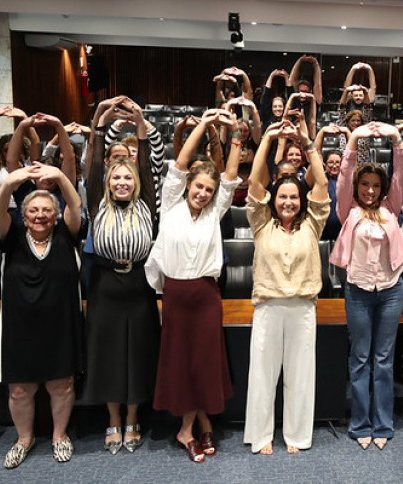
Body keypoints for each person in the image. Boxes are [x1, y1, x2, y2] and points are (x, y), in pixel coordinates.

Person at [144, 109, 241, 464]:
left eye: (208, 190)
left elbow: (230, 177)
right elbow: (180, 163)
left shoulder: (215, 211)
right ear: (188, 186)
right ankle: (194, 425)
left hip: (206, 297)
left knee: (203, 363)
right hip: (175, 296)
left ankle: (191, 425)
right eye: (199, 186)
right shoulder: (170, 203)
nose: (203, 193)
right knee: (181, 363)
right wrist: (203, 124)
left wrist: (236, 136)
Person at [243, 121, 330, 455]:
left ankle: (296, 435)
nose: (289, 202)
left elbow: (321, 182)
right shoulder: (261, 223)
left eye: (294, 197)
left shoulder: (313, 225)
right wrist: (267, 138)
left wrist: (309, 143)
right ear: (274, 198)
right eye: (283, 196)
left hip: (303, 308)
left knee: (300, 376)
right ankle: (261, 435)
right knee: (263, 376)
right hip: (268, 307)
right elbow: (253, 182)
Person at [0, 158, 83, 468]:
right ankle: (24, 439)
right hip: (19, 326)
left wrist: (58, 174)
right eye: (33, 210)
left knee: (62, 385)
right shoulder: (11, 237)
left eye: (47, 210)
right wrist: (9, 183)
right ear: (24, 215)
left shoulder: (66, 235)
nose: (40, 215)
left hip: (60, 324)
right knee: (20, 389)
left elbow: (75, 204)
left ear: (56, 216)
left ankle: (59, 436)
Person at [82, 99, 160, 455]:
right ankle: (113, 420)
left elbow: (145, 160)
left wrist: (140, 121)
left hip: (139, 287)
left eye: (128, 177)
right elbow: (94, 162)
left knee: (138, 354)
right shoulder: (97, 201)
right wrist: (99, 119)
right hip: (106, 287)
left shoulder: (147, 204)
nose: (123, 181)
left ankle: (133, 419)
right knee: (109, 355)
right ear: (108, 182)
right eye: (117, 177)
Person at [329, 122, 403, 450]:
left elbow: (402, 176)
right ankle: (361, 423)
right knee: (361, 358)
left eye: (376, 185)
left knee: (384, 358)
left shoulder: (391, 208)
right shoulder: (348, 208)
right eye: (366, 184)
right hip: (358, 292)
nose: (371, 190)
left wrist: (396, 140)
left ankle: (383, 424)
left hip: (391, 290)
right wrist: (355, 138)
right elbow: (345, 175)